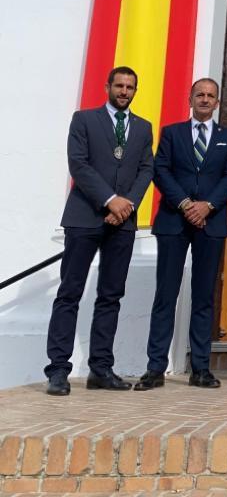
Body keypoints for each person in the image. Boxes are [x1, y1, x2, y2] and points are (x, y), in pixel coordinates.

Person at [44, 67, 154, 395]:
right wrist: (110, 200)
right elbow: (78, 164)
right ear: (107, 86)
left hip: (123, 222)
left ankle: (101, 368)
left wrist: (127, 204)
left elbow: (146, 168)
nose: (124, 91)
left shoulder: (143, 127)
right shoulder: (84, 120)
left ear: (135, 90)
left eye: (129, 87)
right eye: (118, 85)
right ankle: (58, 370)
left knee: (111, 296)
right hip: (84, 217)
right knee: (70, 293)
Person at [135, 78, 227, 392]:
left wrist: (207, 206)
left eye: (211, 96)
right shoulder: (172, 133)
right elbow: (160, 170)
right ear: (190, 98)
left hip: (211, 222)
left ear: (217, 102)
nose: (205, 100)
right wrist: (184, 204)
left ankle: (201, 369)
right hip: (173, 221)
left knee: (204, 297)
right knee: (165, 296)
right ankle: (155, 368)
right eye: (200, 95)